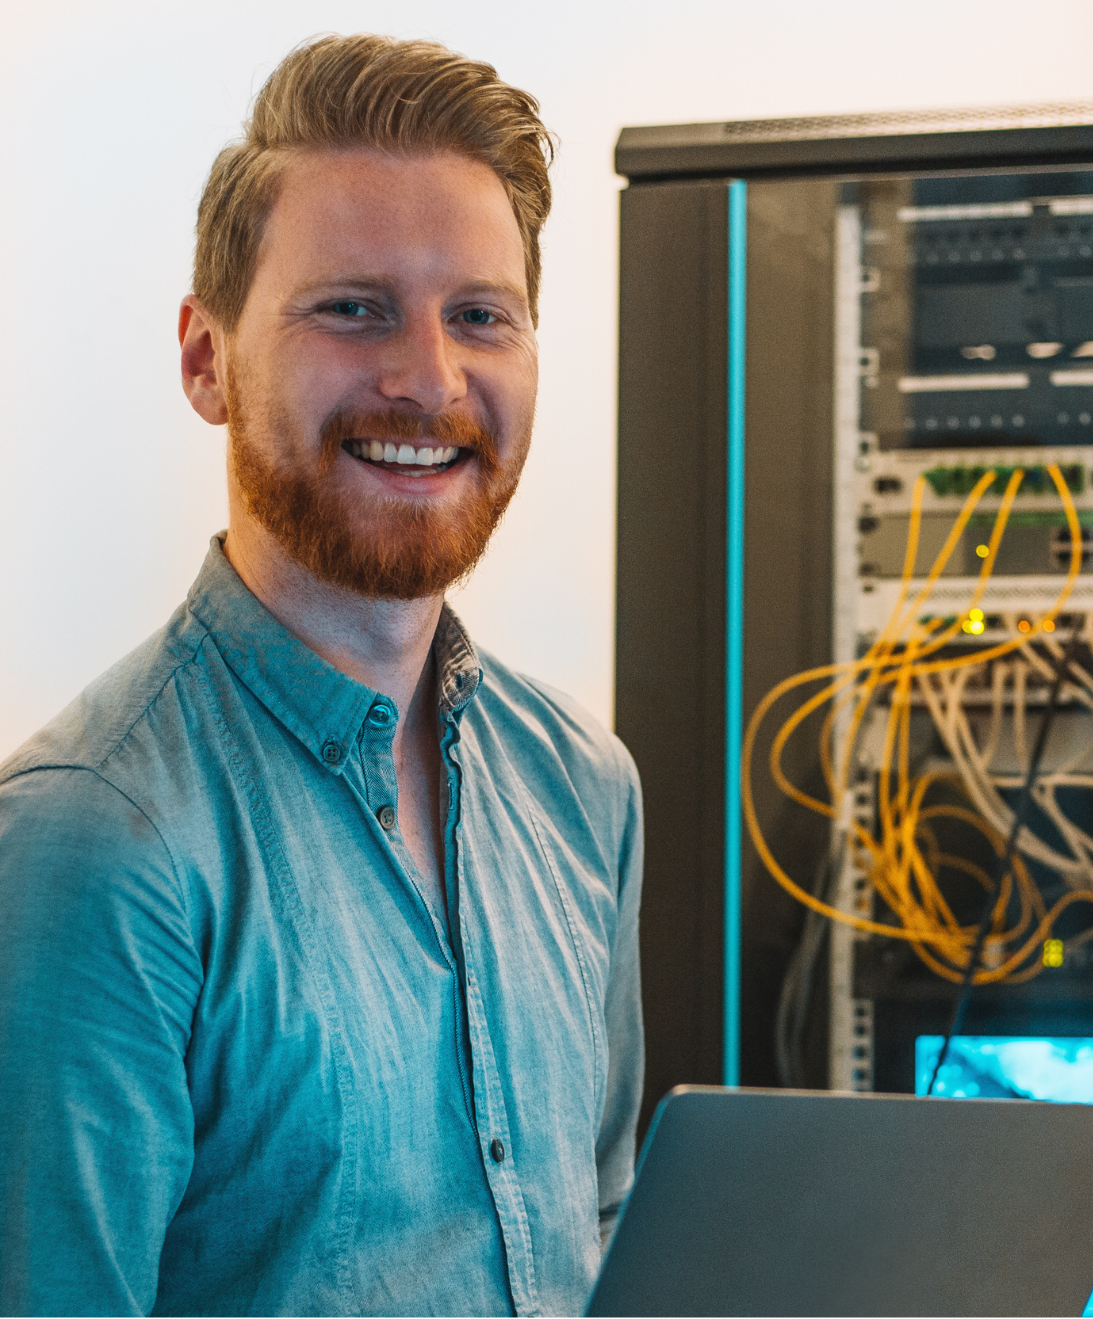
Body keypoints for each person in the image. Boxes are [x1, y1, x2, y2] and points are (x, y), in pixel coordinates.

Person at [0, 34, 643, 1317]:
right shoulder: (94, 838)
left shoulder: (584, 789)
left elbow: (610, 1241)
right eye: (352, 308)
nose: (428, 379)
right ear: (206, 359)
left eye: (479, 316)